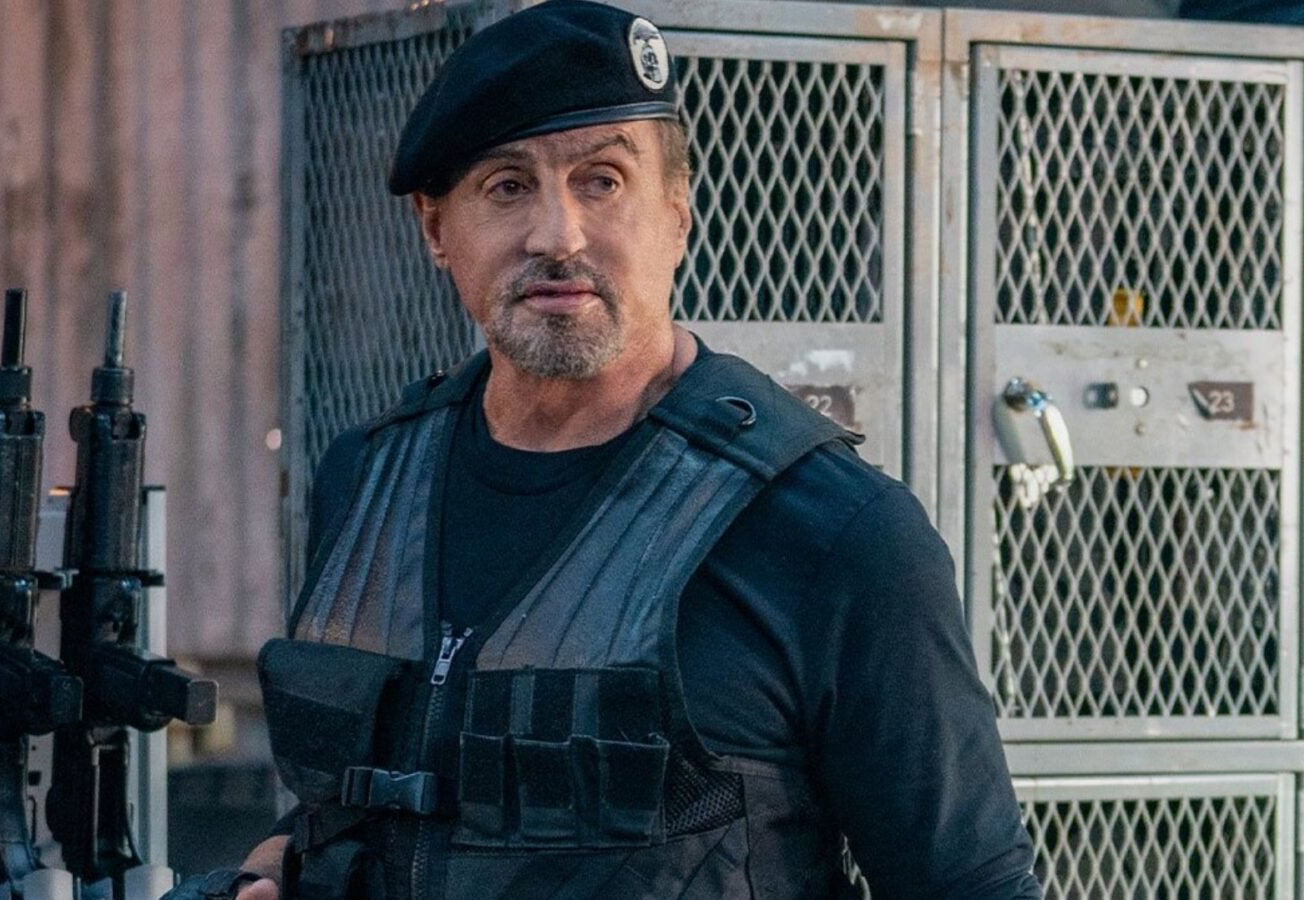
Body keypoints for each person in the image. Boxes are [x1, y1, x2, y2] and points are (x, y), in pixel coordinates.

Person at [169, 1, 1041, 897]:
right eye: (506, 187)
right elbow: (369, 802)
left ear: (677, 215)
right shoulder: (367, 481)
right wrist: (270, 869)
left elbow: (970, 884)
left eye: (603, 181)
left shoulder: (837, 532)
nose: (558, 235)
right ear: (435, 230)